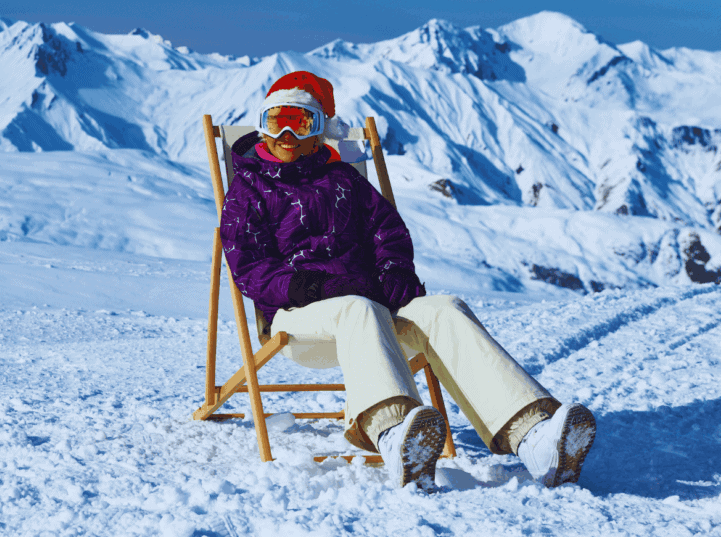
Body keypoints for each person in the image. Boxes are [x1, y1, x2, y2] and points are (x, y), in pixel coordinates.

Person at [219, 70, 596, 489]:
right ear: (261, 126)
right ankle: (394, 434)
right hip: (300, 317)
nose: (286, 133)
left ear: (320, 131)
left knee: (445, 309)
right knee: (357, 309)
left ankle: (533, 436)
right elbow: (248, 267)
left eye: (301, 121)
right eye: (276, 121)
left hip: (372, 305)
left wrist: (394, 271)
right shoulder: (249, 188)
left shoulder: (345, 180)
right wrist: (312, 287)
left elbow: (388, 232)